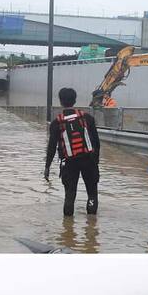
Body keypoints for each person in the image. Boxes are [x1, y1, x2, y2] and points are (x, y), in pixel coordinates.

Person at [45, 87, 101, 216]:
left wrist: (47, 167)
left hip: (69, 162)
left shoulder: (56, 123)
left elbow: (52, 147)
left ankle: (68, 230)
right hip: (88, 160)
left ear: (60, 101)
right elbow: (96, 143)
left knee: (69, 196)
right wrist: (95, 162)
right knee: (92, 194)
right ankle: (91, 228)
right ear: (75, 100)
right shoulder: (87, 118)